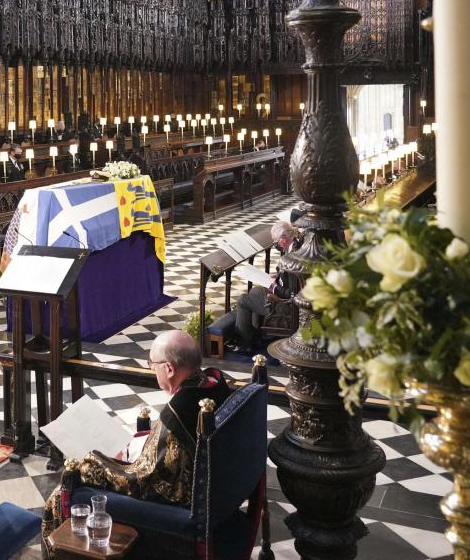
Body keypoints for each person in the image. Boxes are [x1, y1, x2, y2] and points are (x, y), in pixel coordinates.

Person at [41, 331, 231, 538]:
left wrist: (94, 461)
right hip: (220, 484)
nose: (151, 368)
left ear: (169, 368)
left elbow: (144, 481)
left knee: (67, 486)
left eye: (152, 363)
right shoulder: (213, 382)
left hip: (182, 506)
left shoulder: (177, 413)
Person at [230, 220, 301, 352]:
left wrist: (273, 286)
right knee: (255, 291)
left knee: (243, 300)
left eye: (275, 241)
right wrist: (278, 275)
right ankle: (256, 336)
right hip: (285, 296)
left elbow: (291, 293)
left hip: (286, 306)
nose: (275, 244)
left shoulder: (293, 257)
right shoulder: (295, 246)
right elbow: (290, 278)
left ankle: (245, 344)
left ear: (283, 240)